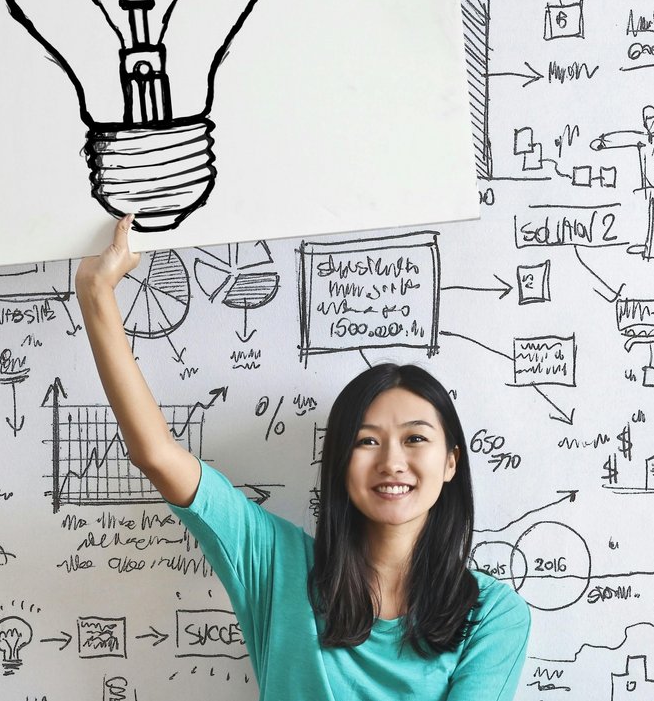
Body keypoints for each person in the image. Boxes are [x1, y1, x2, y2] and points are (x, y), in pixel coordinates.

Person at [76, 215, 531, 700]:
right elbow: (157, 455)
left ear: (450, 463)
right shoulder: (277, 564)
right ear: (339, 461)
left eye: (415, 439)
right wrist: (96, 291)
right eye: (366, 441)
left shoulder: (492, 613)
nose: (392, 462)